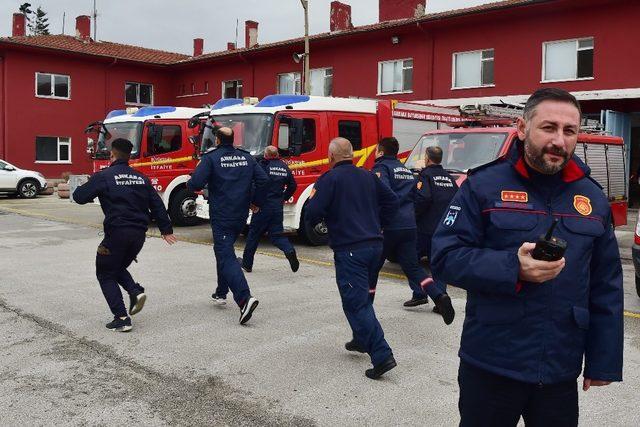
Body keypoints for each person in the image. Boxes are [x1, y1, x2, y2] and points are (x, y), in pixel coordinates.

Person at [431, 88, 623, 426]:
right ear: (522, 128)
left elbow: (606, 283)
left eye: (569, 131)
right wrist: (512, 267)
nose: (559, 141)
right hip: (491, 362)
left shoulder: (593, 198)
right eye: (548, 128)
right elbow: (446, 255)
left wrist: (603, 359)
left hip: (559, 368)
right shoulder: (482, 186)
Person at [305, 137, 399, 379]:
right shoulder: (369, 176)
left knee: (355, 302)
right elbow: (392, 201)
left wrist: (318, 225)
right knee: (362, 298)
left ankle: (382, 354)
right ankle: (360, 339)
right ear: (352, 155)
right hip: (375, 246)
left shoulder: (330, 179)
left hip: (350, 250)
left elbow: (314, 210)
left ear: (331, 157)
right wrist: (380, 225)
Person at [73, 138, 177, 332]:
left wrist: (89, 183)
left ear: (112, 155)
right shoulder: (141, 177)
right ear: (129, 156)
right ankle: (135, 291)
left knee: (104, 272)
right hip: (138, 235)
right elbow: (157, 205)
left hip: (117, 233)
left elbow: (79, 197)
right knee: (116, 266)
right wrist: (166, 229)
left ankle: (121, 317)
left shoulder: (105, 175)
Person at [187, 127, 268, 325]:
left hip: (222, 215)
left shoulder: (211, 158)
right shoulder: (246, 157)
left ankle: (244, 299)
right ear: (233, 139)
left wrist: (190, 182)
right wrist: (256, 200)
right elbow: (264, 180)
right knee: (223, 251)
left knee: (226, 255)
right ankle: (221, 292)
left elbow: (196, 183)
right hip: (240, 215)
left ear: (217, 139)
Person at [372, 137, 454, 324]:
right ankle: (438, 296)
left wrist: (383, 217)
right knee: (414, 267)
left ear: (381, 152)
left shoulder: (382, 167)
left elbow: (382, 193)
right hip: (414, 226)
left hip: (395, 225)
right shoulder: (409, 172)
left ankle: (364, 309)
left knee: (373, 267)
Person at [239, 146, 299, 273]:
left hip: (263, 207)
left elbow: (256, 185)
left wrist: (253, 203)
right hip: (277, 207)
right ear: (277, 155)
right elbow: (293, 185)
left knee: (253, 236)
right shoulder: (284, 166)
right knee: (276, 235)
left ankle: (247, 264)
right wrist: (283, 198)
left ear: (266, 155)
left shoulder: (262, 166)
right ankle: (289, 250)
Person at [414, 145, 459, 317]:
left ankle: (420, 293)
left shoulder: (425, 176)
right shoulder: (449, 178)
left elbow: (423, 198)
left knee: (411, 259)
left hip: (425, 228)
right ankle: (441, 298)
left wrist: (414, 215)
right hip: (443, 228)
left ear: (427, 158)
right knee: (438, 263)